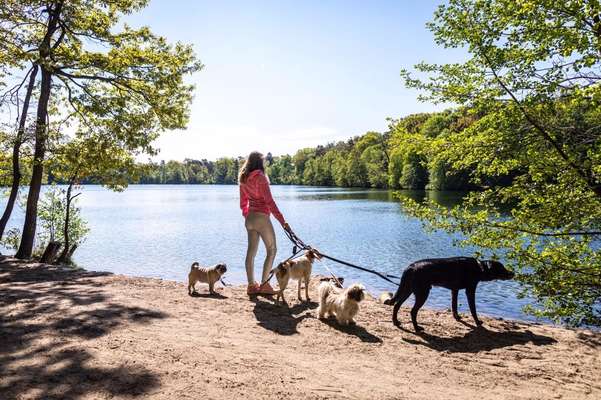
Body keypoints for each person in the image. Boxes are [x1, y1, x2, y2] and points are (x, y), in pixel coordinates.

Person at [239, 151, 290, 295]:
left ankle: (251, 286)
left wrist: (247, 215)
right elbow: (270, 202)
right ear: (260, 163)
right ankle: (265, 285)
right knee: (272, 250)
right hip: (262, 217)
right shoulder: (260, 177)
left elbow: (243, 203)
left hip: (250, 218)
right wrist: (282, 221)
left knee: (251, 253)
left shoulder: (243, 177)